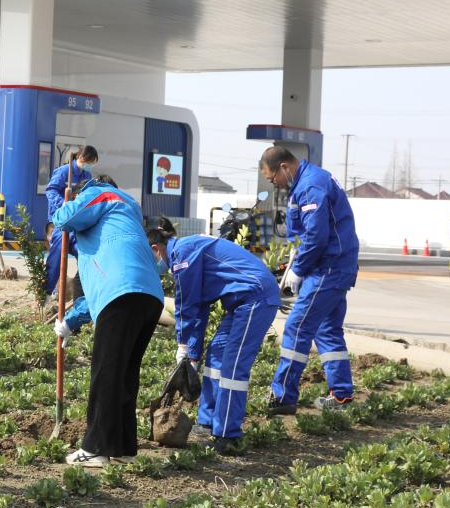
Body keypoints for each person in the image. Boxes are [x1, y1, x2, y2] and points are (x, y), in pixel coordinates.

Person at [51, 175, 164, 467]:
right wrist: (71, 321)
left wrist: (69, 200)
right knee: (124, 372)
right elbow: (101, 291)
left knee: (106, 372)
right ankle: (121, 446)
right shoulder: (121, 225)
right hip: (148, 296)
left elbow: (64, 218)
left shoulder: (102, 194)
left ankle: (95, 448)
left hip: (123, 294)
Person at [146, 217, 280, 455]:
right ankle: (207, 421)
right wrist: (193, 356)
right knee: (216, 356)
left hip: (255, 297)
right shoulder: (185, 250)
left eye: (149, 258)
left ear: (156, 250)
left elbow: (188, 306)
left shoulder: (183, 256)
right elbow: (199, 307)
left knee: (232, 367)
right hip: (240, 302)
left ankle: (227, 435)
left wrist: (184, 347)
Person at [259, 146, 360, 414]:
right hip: (336, 266)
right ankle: (341, 397)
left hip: (327, 268)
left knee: (297, 327)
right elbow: (303, 234)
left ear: (283, 167)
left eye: (272, 178)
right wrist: (293, 263)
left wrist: (299, 269)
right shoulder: (307, 182)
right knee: (327, 330)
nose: (274, 184)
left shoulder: (310, 186)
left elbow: (316, 236)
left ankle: (283, 398)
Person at [43, 146, 99, 295]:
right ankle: (46, 291)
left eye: (92, 163)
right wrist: (64, 204)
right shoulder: (63, 171)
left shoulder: (86, 174)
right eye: (89, 161)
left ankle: (82, 292)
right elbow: (51, 190)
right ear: (81, 158)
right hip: (61, 220)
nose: (90, 165)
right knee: (58, 253)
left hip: (77, 221)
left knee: (85, 253)